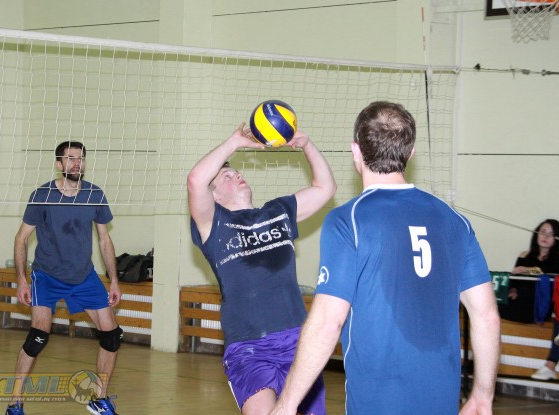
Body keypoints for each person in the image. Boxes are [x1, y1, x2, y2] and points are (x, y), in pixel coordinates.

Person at [269, 101, 501, 415]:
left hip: (378, 401)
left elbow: (327, 322)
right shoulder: (456, 221)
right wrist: (483, 395)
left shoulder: (349, 220)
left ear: (355, 150)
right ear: (410, 153)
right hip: (442, 400)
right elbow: (486, 316)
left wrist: (286, 405)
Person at [187, 123, 336, 414]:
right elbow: (195, 180)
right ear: (214, 196)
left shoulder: (278, 212)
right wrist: (234, 142)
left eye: (236, 172)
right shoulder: (213, 225)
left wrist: (307, 146)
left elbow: (325, 188)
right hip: (248, 348)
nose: (237, 175)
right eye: (227, 176)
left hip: (298, 342)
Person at [5, 141, 122, 415]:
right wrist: (21, 279)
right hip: (47, 275)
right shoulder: (42, 195)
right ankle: (14, 403)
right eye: (70, 159)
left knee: (112, 336)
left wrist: (114, 279)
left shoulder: (94, 194)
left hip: (83, 276)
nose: (76, 163)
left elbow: (104, 240)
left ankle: (99, 399)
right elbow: (21, 238)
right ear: (59, 164)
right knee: (38, 336)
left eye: (80, 159)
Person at [506, 219, 559, 381]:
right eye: (542, 232)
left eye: (551, 234)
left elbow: (551, 275)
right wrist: (513, 289)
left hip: (539, 307)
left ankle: (550, 365)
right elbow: (513, 282)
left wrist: (529, 271)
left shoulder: (556, 259)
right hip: (519, 302)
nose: (545, 236)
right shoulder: (525, 255)